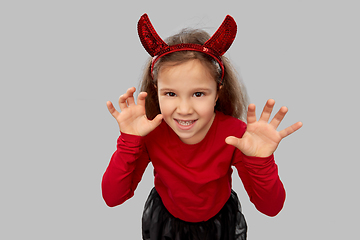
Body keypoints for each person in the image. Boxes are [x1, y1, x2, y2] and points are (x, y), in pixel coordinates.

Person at [102, 13, 302, 240]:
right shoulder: (150, 133)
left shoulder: (236, 135)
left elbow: (271, 207)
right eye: (170, 93)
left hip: (219, 225)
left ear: (218, 92)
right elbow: (113, 197)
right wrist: (129, 141)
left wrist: (261, 161)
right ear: (156, 92)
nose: (185, 109)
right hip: (165, 224)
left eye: (198, 93)